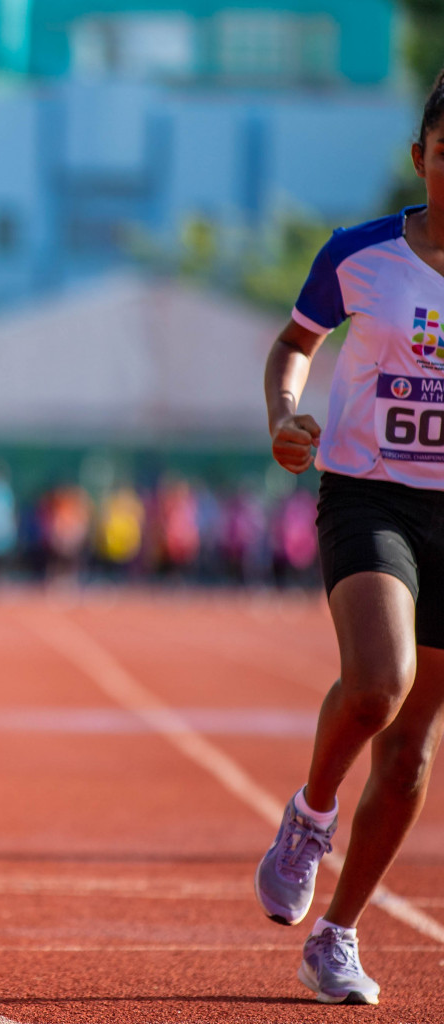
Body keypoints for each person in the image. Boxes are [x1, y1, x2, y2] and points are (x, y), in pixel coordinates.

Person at [254, 70, 444, 1005]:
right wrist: (288, 416)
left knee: (411, 752)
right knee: (378, 682)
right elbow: (294, 345)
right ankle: (310, 813)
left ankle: (337, 935)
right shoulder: (362, 254)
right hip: (370, 494)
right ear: (421, 158)